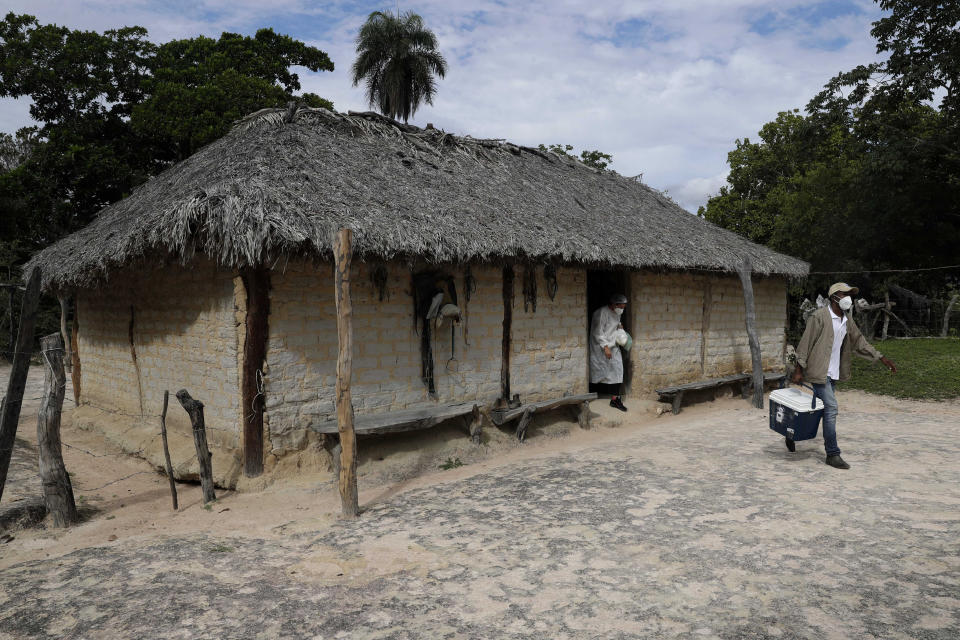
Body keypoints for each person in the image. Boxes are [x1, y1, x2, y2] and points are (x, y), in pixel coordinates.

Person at [792, 282, 897, 469]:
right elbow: (805, 343)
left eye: (850, 294)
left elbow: (860, 341)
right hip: (819, 372)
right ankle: (832, 454)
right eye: (844, 294)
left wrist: (881, 358)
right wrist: (798, 370)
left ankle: (791, 433)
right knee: (831, 409)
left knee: (818, 411)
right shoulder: (819, 317)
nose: (848, 298)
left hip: (833, 373)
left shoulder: (847, 319)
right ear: (834, 297)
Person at [590, 293, 629, 411]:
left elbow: (616, 325)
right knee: (599, 372)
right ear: (614, 304)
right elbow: (597, 332)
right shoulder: (601, 313)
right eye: (620, 307)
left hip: (614, 345)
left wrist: (620, 328)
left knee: (617, 371)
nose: (622, 310)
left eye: (623, 307)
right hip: (601, 347)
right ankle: (591, 396)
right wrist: (605, 347)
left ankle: (615, 400)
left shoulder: (616, 313)